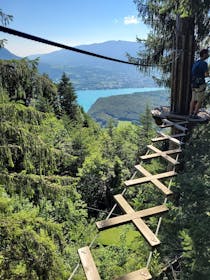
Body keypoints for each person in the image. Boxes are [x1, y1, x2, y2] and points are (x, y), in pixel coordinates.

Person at [189, 49, 209, 118]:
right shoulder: (204, 63)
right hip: (200, 84)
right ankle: (194, 114)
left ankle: (190, 113)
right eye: (207, 53)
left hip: (194, 83)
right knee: (199, 100)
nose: (208, 55)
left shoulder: (196, 62)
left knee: (193, 99)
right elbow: (206, 74)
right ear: (204, 54)